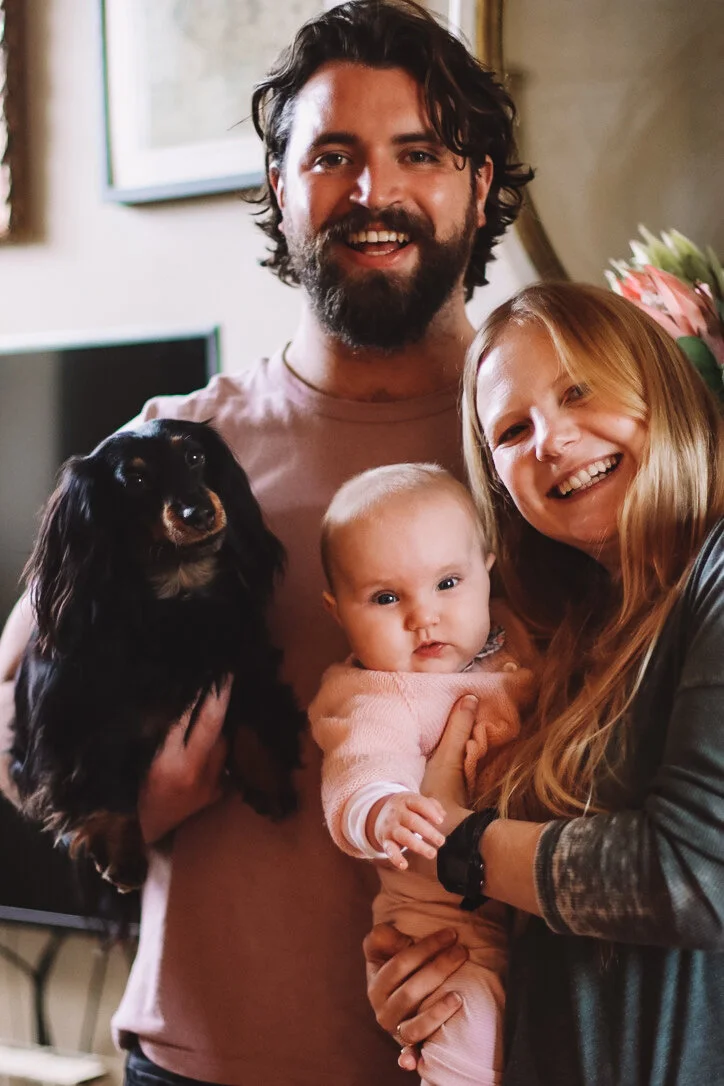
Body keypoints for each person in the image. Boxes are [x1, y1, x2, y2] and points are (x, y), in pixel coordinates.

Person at [0, 3, 532, 1084]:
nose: (372, 192)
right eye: (331, 156)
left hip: (503, 1055)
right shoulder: (173, 450)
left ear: (479, 186)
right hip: (210, 1060)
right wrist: (139, 799)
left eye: (416, 153)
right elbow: (14, 721)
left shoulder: (555, 443)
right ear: (282, 190)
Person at [366, 280, 724, 1085]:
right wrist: (434, 976)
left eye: (579, 391)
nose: (552, 441)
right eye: (513, 430)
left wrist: (458, 846)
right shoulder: (564, 641)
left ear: (659, 384)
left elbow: (697, 875)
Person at [309, 463, 536, 1086]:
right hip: (447, 928)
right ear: (338, 613)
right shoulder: (377, 693)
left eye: (447, 583)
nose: (423, 616)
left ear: (488, 571)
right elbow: (361, 769)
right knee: (465, 1031)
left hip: (536, 908)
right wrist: (382, 810)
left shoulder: (519, 641)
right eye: (386, 598)